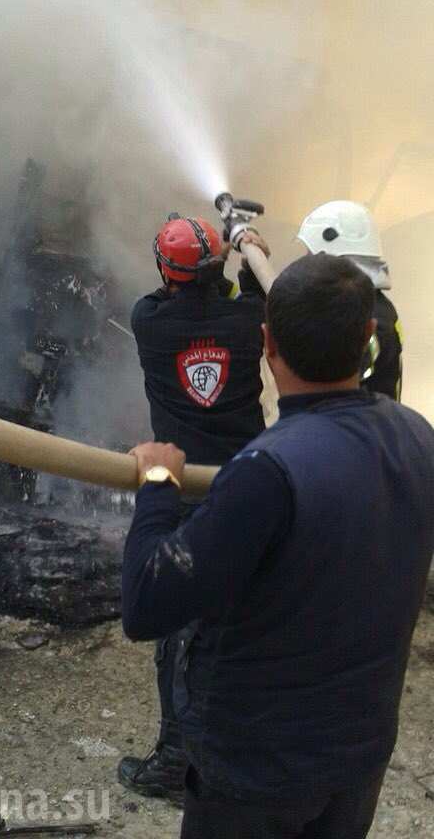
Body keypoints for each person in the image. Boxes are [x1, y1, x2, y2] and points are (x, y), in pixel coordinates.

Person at [122, 253, 434, 839]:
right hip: (357, 764)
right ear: (369, 337)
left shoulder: (267, 472)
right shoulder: (418, 436)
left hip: (256, 780)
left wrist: (158, 484)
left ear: (265, 343)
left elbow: (146, 603)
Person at [117, 213, 270, 802]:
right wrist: (246, 250)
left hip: (182, 492)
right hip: (247, 485)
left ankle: (177, 761)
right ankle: (227, 748)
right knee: (243, 618)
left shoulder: (149, 322)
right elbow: (257, 294)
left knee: (178, 628)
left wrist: (220, 257)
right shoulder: (247, 319)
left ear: (168, 271)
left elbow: (184, 293)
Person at [298, 200, 402, 399]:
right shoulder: (369, 305)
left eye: (312, 253)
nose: (307, 260)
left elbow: (328, 381)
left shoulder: (367, 316)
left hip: (361, 427)